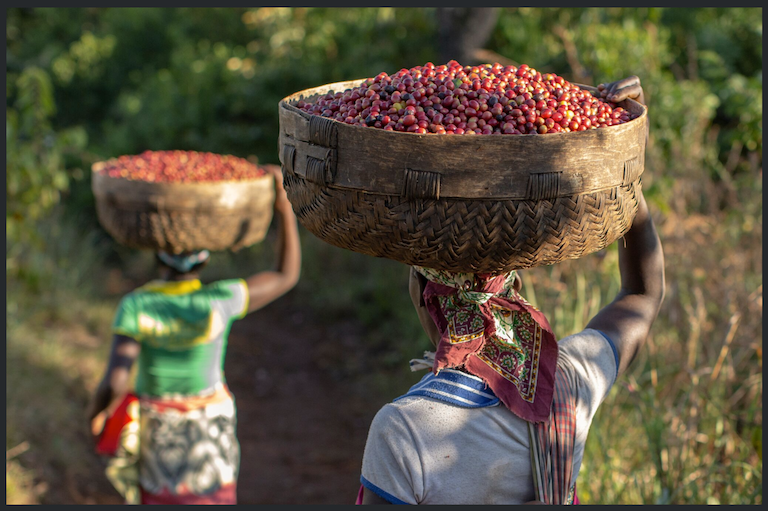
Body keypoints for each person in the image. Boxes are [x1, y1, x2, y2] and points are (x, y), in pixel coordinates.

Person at [357, 76, 664, 505]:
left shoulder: (402, 428)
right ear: (511, 288)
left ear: (425, 295)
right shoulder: (567, 381)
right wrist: (624, 168)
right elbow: (642, 294)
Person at [88, 166, 301, 505]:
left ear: (158, 253)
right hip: (209, 428)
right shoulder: (220, 300)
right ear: (204, 260)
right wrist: (284, 208)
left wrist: (97, 413)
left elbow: (115, 381)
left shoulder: (138, 305)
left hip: (160, 428)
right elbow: (284, 275)